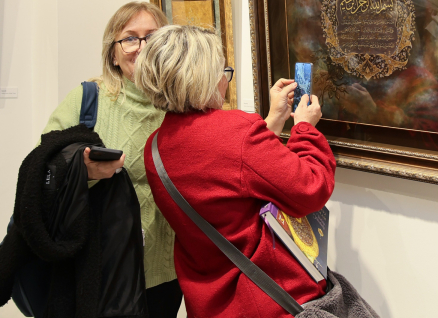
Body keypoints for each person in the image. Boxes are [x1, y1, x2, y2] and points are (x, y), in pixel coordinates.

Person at [135, 25, 336, 318]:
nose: (224, 80)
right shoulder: (233, 131)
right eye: (222, 71)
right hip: (266, 302)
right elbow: (311, 188)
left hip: (208, 303)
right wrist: (304, 128)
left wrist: (273, 120)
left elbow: (229, 174)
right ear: (202, 78)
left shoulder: (155, 147)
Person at [41, 1, 181, 316]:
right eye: (130, 38)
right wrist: (83, 171)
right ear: (113, 53)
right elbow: (41, 165)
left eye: (152, 37)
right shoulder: (87, 99)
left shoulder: (182, 105)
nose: (142, 47)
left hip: (165, 271)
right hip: (98, 267)